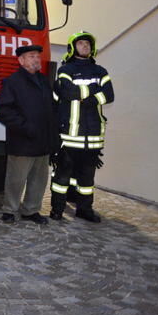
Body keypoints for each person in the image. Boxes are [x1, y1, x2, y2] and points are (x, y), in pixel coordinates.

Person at [50, 31, 114, 223]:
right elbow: (68, 92)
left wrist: (86, 96)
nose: (85, 46)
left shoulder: (101, 71)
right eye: (81, 44)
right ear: (72, 48)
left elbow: (109, 95)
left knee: (87, 180)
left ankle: (84, 209)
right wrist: (94, 91)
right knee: (62, 177)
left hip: (93, 136)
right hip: (69, 136)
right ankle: (57, 209)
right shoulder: (66, 70)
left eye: (87, 44)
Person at [0, 44, 56, 225]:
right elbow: (4, 111)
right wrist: (26, 128)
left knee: (39, 180)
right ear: (21, 60)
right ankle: (9, 210)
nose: (36, 59)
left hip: (42, 141)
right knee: (16, 178)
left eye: (37, 56)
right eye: (31, 56)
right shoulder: (12, 82)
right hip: (22, 140)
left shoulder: (44, 81)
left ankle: (31, 210)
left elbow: (51, 109)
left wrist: (53, 135)